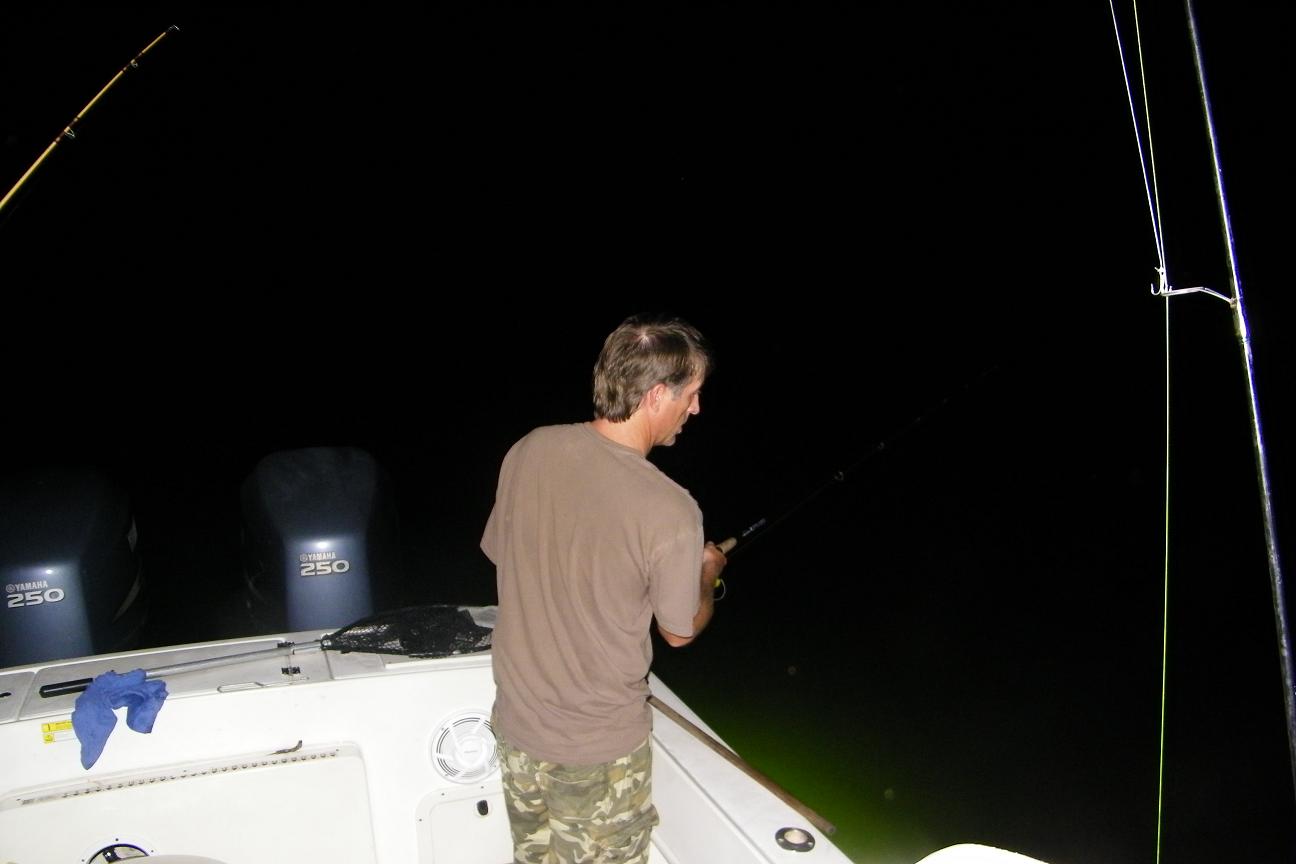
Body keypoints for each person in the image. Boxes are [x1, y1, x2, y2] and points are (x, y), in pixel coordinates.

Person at [481, 314, 729, 864]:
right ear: (657, 395)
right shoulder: (671, 508)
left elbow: (508, 554)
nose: (695, 409)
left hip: (518, 729)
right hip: (596, 753)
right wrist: (706, 573)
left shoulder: (529, 449)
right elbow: (679, 631)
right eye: (691, 394)